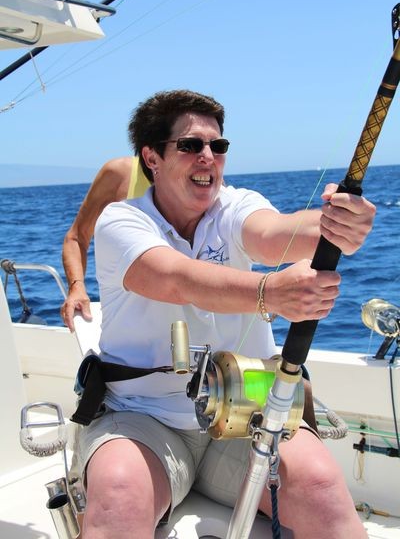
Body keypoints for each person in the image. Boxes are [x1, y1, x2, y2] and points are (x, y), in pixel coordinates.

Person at [76, 89, 375, 539]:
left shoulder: (236, 206)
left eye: (218, 145)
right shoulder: (121, 221)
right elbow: (175, 278)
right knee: (119, 494)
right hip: (144, 419)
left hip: (247, 414)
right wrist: (269, 292)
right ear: (152, 158)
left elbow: (275, 235)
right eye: (190, 145)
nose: (208, 156)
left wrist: (337, 225)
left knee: (319, 485)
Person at [61, 155, 150, 331]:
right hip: (127, 327)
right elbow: (76, 238)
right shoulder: (119, 173)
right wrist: (77, 287)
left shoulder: (202, 177)